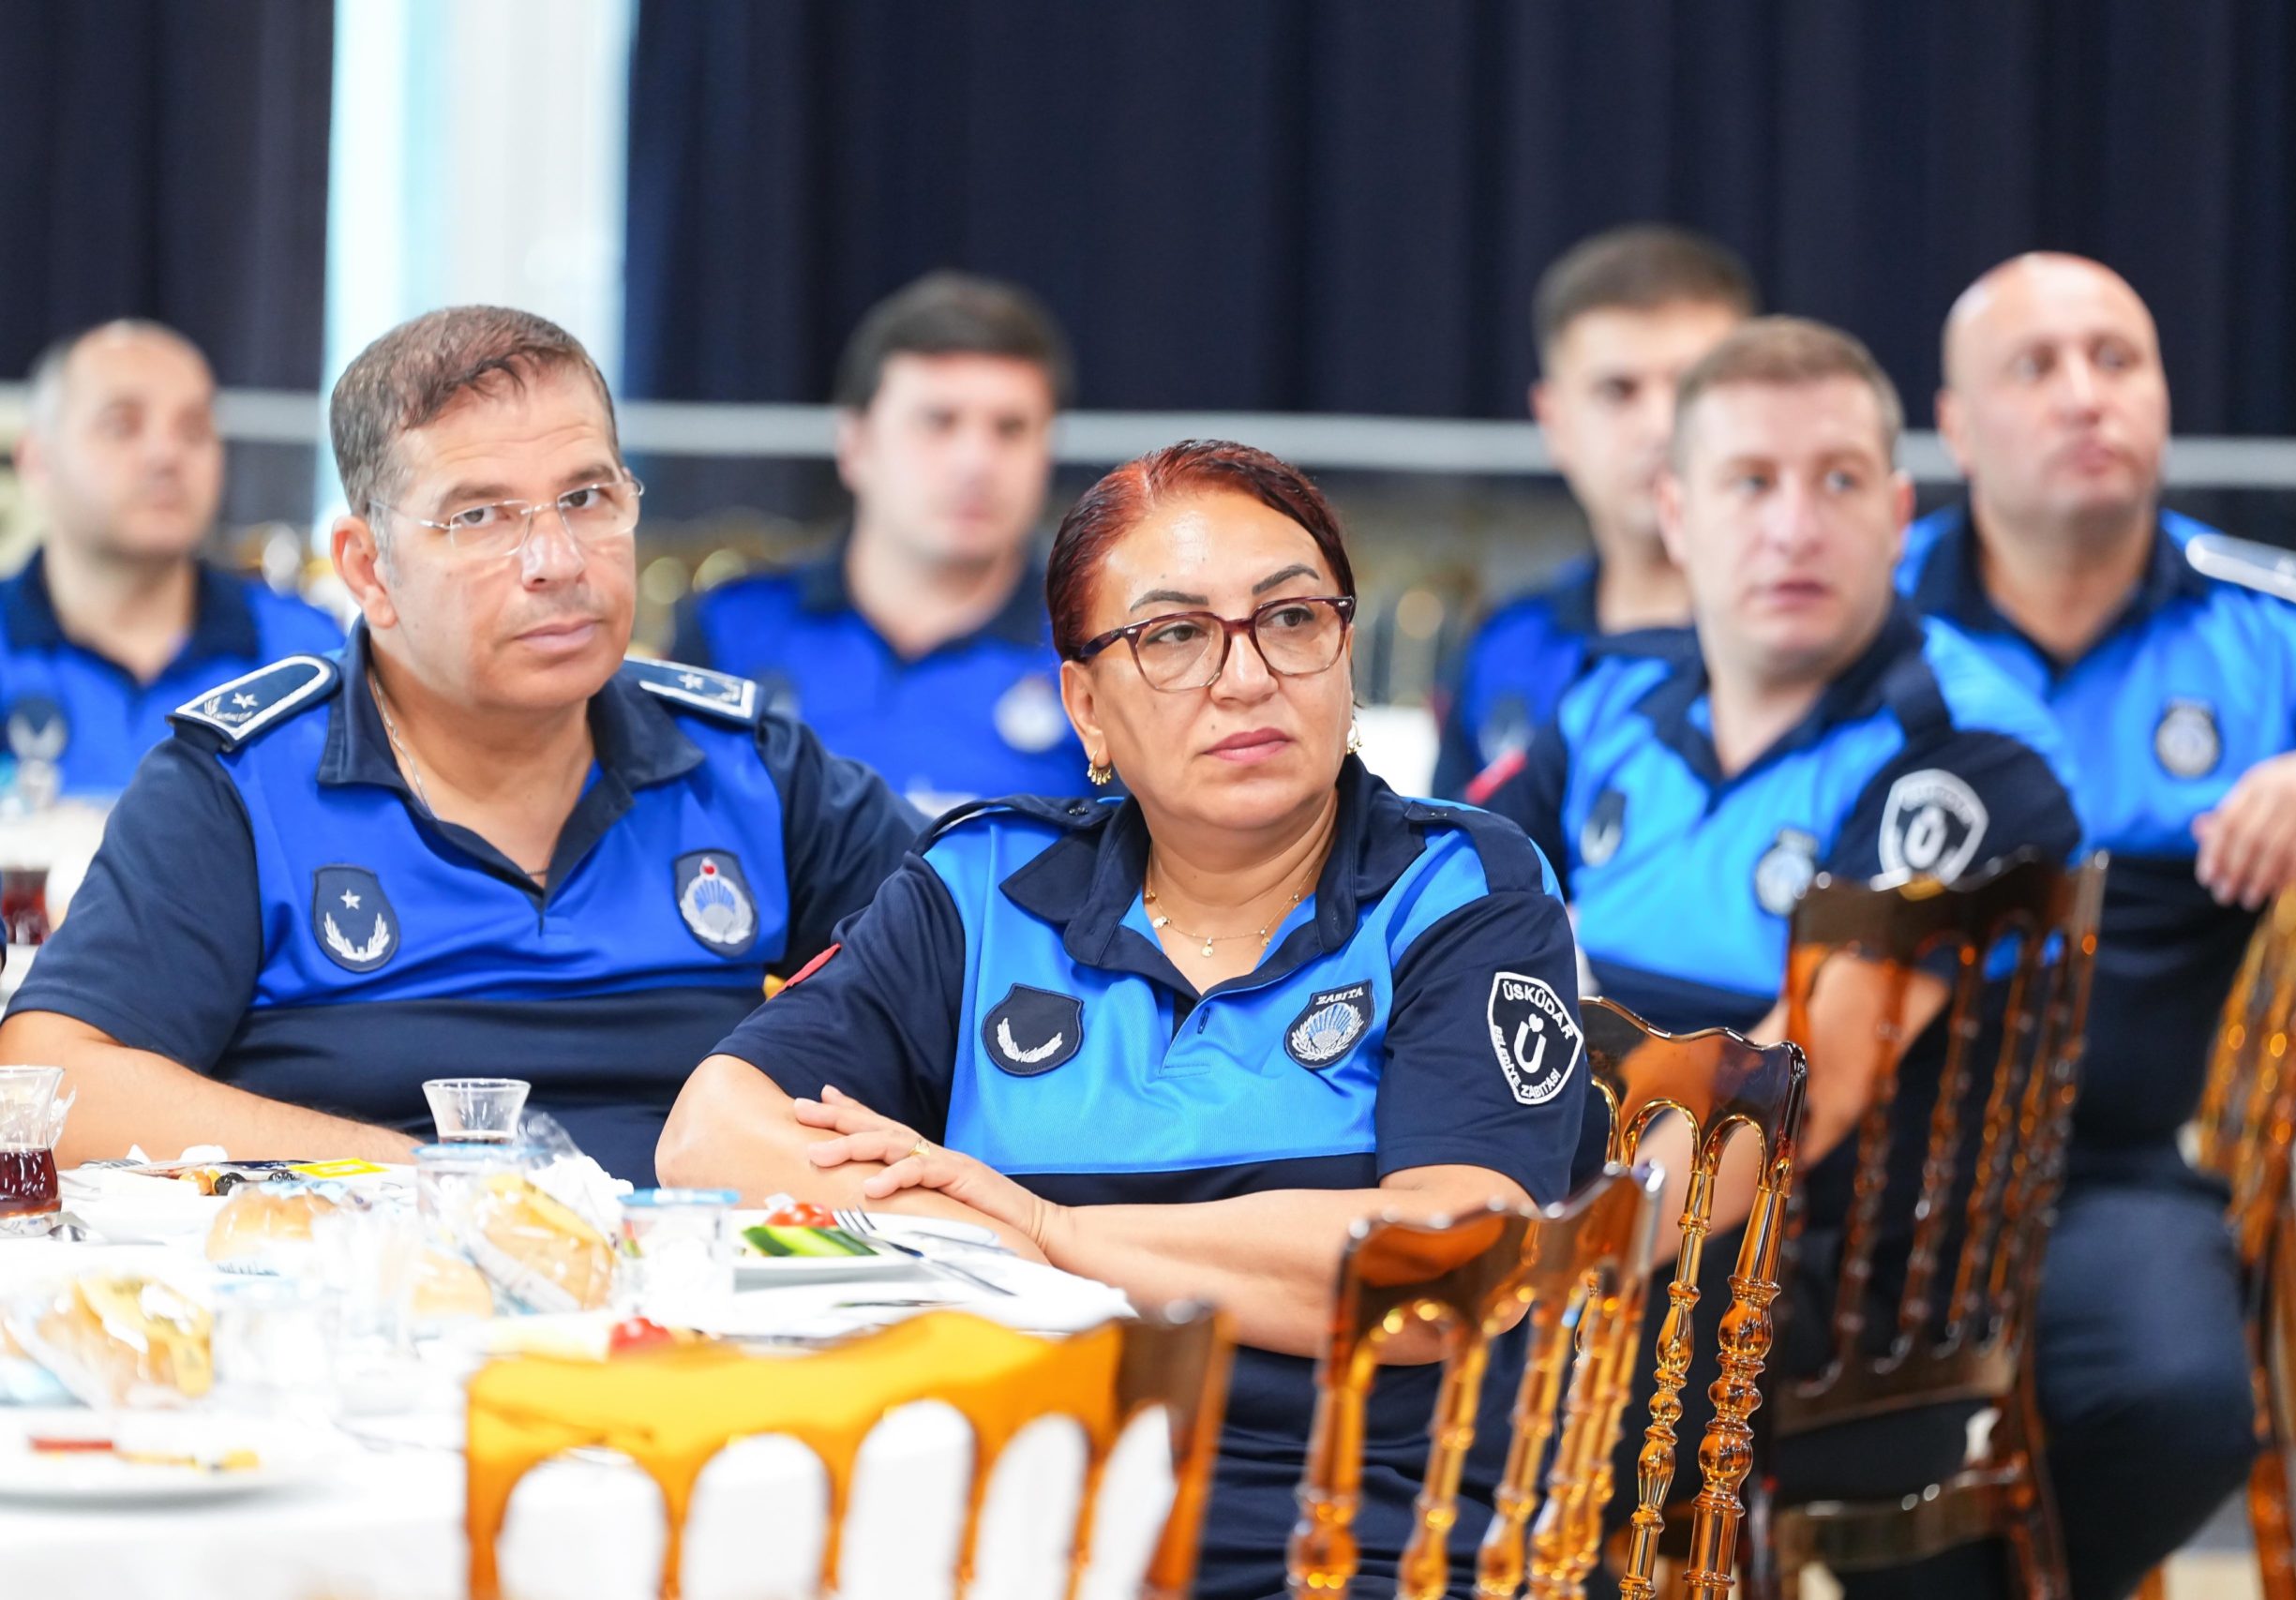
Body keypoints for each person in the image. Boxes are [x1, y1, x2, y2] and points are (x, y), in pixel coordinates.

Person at [657, 440, 1588, 1598]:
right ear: (1085, 705)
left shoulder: (1461, 888)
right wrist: (986, 1231)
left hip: (1344, 1531)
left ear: (1346, 657)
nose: (1246, 677)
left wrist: (1051, 1236)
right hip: (1005, 1506)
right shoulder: (986, 884)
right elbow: (712, 1133)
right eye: (1175, 635)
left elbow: (1439, 1263)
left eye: (1293, 619)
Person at [0, 306, 919, 1185]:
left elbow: (995, 959)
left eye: (588, 497)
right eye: (479, 516)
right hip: (383, 1297)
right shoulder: (240, 784)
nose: (557, 559)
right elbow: (51, 1084)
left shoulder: (747, 761)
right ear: (369, 569)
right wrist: (447, 1183)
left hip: (715, 1300)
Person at [1482, 318, 2083, 1586]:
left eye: (1840, 482)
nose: (1795, 526)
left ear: (1899, 511)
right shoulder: (1606, 703)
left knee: (1499, 1385)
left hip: (1826, 1285)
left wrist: (1552, 1258)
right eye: (1751, 482)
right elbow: (1462, 912)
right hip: (1599, 1189)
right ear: (1676, 511)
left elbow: (1803, 1085)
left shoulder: (1969, 749)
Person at [1898, 252, 2296, 1600]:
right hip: (1858, 1154)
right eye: (2036, 366)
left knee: (2187, 1409)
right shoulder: (1861, 614)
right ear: (1953, 424)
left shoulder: (2279, 626)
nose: (2085, 395)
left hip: (2110, 1159)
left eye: (2117, 359)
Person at [670, 271, 1087, 815]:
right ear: (855, 443)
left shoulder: (1098, 646)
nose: (976, 463)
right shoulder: (733, 628)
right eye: (938, 422)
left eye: (1010, 429)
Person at [1432, 224, 1753, 800]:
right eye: (1617, 391)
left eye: (1688, 387)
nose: (1659, 428)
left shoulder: (1814, 641)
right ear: (1553, 421)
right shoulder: (1504, 651)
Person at [2, 321, 342, 795]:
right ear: (36, 461)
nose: (166, 455)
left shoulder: (307, 655)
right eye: (122, 426)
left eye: (194, 429)